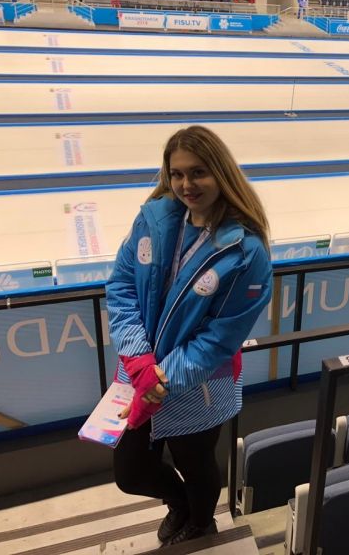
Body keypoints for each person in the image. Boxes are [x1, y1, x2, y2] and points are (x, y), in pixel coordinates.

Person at [108, 125, 272, 548]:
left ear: (221, 173)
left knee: (196, 465)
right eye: (177, 173)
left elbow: (220, 338)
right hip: (141, 373)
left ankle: (200, 523)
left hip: (198, 386)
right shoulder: (153, 218)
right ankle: (179, 504)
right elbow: (121, 287)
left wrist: (161, 382)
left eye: (198, 172)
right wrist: (140, 362)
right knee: (130, 471)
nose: (186, 184)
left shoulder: (245, 252)